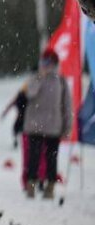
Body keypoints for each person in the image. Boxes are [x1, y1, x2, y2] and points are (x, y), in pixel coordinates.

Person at [22, 49, 73, 199]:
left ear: (56, 63)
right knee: (34, 157)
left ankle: (50, 188)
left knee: (52, 159)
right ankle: (31, 185)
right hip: (34, 126)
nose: (47, 65)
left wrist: (67, 127)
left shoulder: (61, 81)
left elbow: (67, 106)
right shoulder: (34, 78)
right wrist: (39, 78)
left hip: (54, 127)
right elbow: (30, 94)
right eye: (44, 62)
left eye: (50, 62)